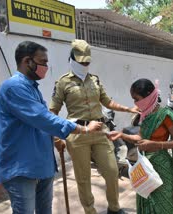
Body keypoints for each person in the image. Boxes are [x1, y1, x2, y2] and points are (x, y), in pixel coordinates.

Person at [0, 41, 102, 214]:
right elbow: (42, 118)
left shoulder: (32, 89)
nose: (46, 66)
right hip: (21, 167)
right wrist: (83, 129)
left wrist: (54, 139)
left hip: (41, 163)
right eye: (42, 62)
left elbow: (39, 122)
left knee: (45, 210)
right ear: (27, 61)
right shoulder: (13, 87)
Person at [49, 39, 138, 214]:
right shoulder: (63, 82)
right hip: (77, 134)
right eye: (81, 61)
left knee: (112, 171)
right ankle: (90, 211)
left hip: (100, 132)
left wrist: (128, 108)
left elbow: (108, 101)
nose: (85, 64)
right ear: (72, 59)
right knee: (83, 178)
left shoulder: (95, 80)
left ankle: (114, 208)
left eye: (87, 62)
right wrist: (57, 137)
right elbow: (52, 111)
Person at [107, 78, 173, 214]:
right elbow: (140, 138)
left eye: (137, 99)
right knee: (147, 203)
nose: (135, 103)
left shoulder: (165, 114)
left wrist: (155, 144)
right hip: (145, 166)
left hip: (162, 167)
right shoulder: (145, 115)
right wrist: (121, 135)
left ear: (148, 97)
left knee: (164, 206)